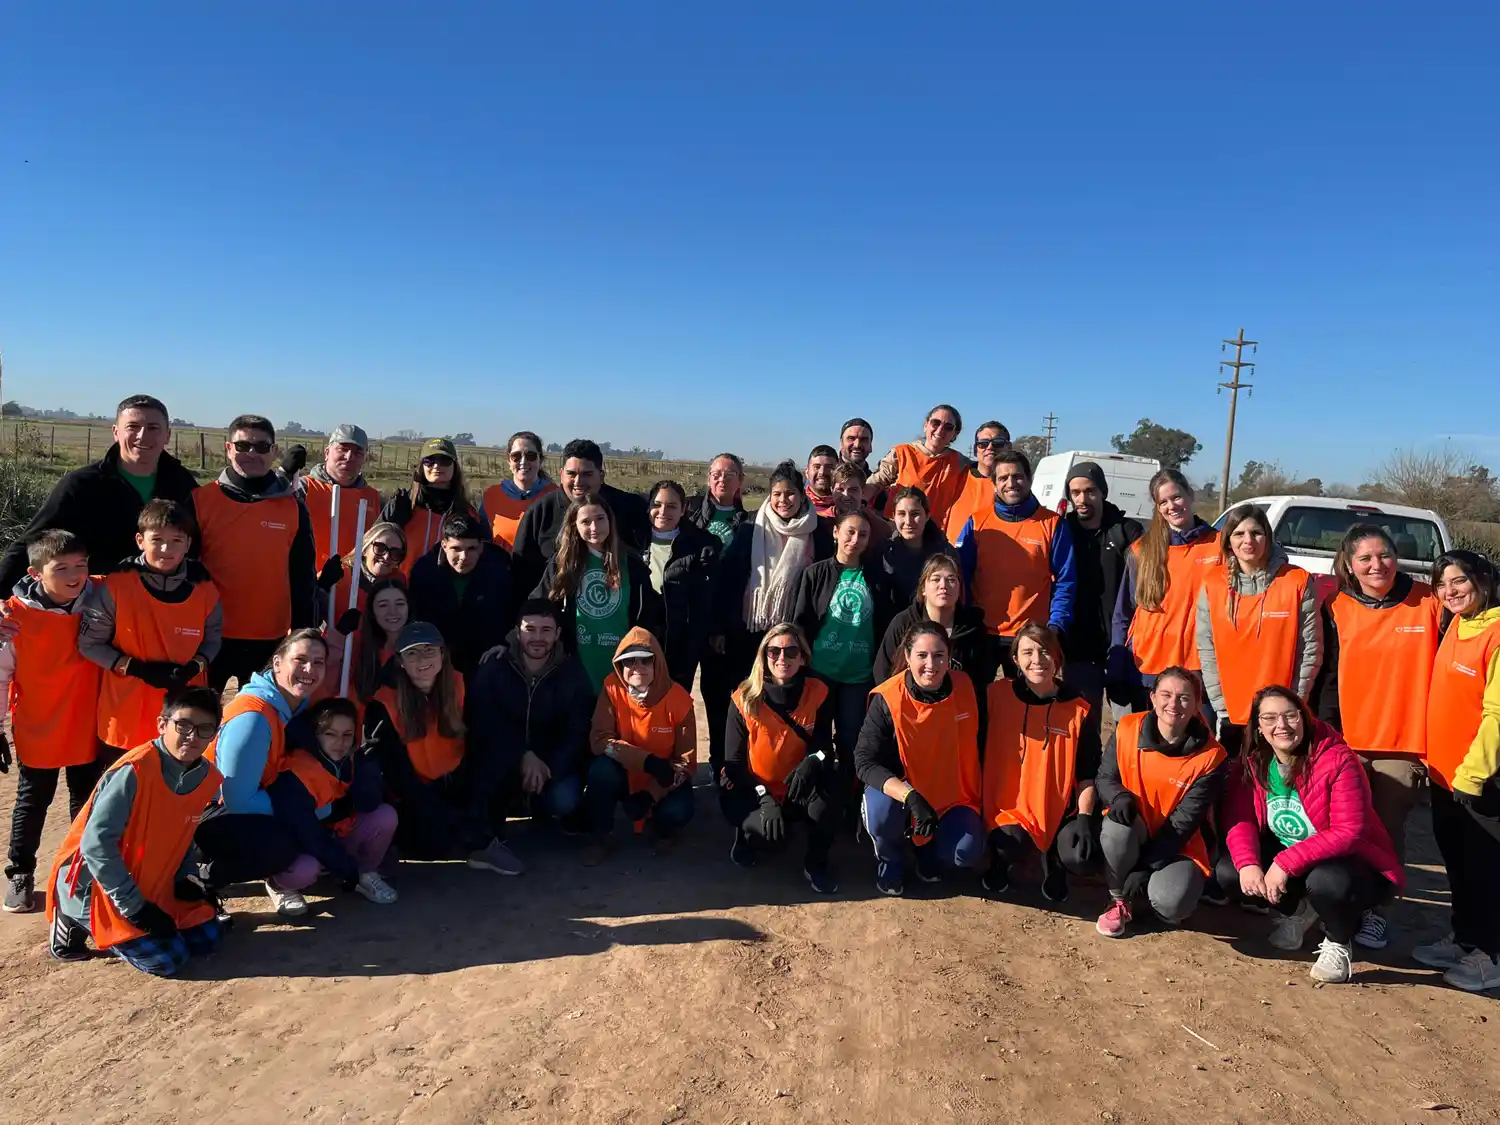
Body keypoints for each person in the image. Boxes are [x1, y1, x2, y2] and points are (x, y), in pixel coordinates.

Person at [1312, 523, 1441, 950]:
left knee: (1385, 832)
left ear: (1396, 557)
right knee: (1340, 828)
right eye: (1365, 558)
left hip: (1403, 745)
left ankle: (1377, 911)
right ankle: (1338, 906)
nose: (1376, 565)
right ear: (1349, 565)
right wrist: (1328, 736)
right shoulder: (1338, 607)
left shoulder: (1429, 602)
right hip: (1348, 740)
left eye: (1383, 555)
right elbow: (1327, 677)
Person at [1217, 687, 1402, 984]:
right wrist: (1248, 862)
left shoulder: (1338, 759)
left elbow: (1348, 832)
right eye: (1270, 718)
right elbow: (1239, 819)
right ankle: (1297, 910)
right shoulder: (1253, 763)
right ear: (1259, 728)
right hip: (1296, 858)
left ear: (1304, 718)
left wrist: (1284, 864)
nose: (1282, 725)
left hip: (1352, 862)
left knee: (1327, 882)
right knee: (1230, 872)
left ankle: (1338, 940)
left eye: (1290, 715)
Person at [44, 686, 225, 973]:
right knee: (168, 960)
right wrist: (135, 908)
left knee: (206, 938)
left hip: (149, 877)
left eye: (204, 729)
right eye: (184, 725)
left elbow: (183, 833)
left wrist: (185, 877)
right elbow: (96, 844)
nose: (192, 737)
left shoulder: (207, 777)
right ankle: (72, 914)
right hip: (95, 882)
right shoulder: (135, 770)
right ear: (162, 724)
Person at [1, 531, 105, 914]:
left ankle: (83, 869)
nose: (74, 575)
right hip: (38, 724)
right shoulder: (14, 616)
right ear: (35, 572)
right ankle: (20, 873)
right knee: (33, 800)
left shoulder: (101, 598)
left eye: (81, 565)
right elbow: (0, 675)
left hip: (87, 721)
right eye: (61, 568)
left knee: (87, 800)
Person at [0, 395, 199, 592]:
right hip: (96, 606)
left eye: (153, 428)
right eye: (132, 427)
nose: (142, 436)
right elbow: (34, 541)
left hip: (165, 604)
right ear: (116, 432)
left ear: (168, 435)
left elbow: (203, 544)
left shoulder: (183, 485)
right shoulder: (83, 485)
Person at [1412, 551, 1500, 992]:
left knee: (1487, 868)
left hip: (1481, 779)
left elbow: (1497, 714)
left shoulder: (1498, 631)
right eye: (1442, 584)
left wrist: (1474, 773)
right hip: (1444, 773)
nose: (1450, 591)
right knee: (1458, 865)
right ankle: (1466, 939)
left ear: (1483, 579)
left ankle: (1491, 956)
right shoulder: (1457, 624)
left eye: (1459, 581)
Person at [197, 629, 329, 917]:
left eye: (319, 662)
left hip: (258, 801)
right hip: (208, 815)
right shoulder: (253, 719)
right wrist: (306, 808)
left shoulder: (297, 703)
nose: (310, 670)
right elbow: (237, 801)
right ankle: (199, 876)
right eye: (301, 660)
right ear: (277, 663)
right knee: (282, 845)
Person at [77, 500, 222, 758]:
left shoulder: (204, 589)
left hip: (184, 716)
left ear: (188, 544)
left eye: (176, 540)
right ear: (140, 540)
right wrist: (136, 668)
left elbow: (212, 640)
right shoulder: (117, 585)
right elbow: (89, 643)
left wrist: (193, 667)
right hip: (125, 715)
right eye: (157, 539)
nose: (166, 549)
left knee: (177, 791)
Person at [1092, 667, 1229, 938]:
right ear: (1152, 698)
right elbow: (1105, 777)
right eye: (1165, 694)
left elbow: (1183, 824)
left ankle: (1155, 893)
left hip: (1180, 844)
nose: (1173, 704)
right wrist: (1118, 797)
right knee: (1116, 828)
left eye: (1184, 698)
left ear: (1196, 704)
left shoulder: (1212, 757)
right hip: (1135, 828)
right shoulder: (1127, 728)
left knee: (1173, 904)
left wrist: (1146, 867)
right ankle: (1119, 900)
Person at [362, 621, 505, 871]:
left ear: (442, 654)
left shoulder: (463, 685)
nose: (422, 659)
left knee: (494, 790)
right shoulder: (384, 703)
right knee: (434, 845)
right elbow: (396, 774)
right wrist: (442, 813)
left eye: (430, 650)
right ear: (400, 661)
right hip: (416, 792)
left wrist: (476, 798)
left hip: (457, 780)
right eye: (412, 653)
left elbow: (483, 742)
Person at [855, 623, 985, 895]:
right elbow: (864, 761)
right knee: (881, 814)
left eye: (939, 655)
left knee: (966, 852)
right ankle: (890, 860)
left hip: (951, 795)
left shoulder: (965, 686)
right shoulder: (888, 698)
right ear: (907, 656)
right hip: (903, 793)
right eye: (922, 655)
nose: (931, 664)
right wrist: (911, 796)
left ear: (949, 658)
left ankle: (926, 850)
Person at [195, 415, 317, 691]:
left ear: (274, 452)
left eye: (262, 447)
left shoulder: (292, 508)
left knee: (258, 721)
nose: (252, 453)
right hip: (210, 636)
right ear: (228, 448)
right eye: (243, 446)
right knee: (202, 722)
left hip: (270, 638)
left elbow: (302, 575)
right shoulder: (200, 501)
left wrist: (302, 631)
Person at [981, 624, 1099, 902]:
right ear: (1015, 660)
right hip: (1007, 807)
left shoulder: (1079, 709)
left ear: (1057, 657)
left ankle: (1055, 861)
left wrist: (1084, 819)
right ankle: (1000, 863)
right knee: (1008, 845)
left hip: (1059, 808)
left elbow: (1087, 772)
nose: (1037, 659)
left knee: (1078, 855)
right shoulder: (995, 696)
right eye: (1028, 652)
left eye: (1045, 651)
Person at [723, 624, 841, 893]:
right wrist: (763, 795)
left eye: (790, 651)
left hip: (798, 785)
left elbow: (825, 748)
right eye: (774, 651)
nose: (782, 658)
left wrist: (813, 760)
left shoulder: (819, 692)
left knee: (832, 788)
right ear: (763, 657)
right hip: (756, 789)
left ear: (803, 657)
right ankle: (744, 836)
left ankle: (816, 863)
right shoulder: (743, 698)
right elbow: (733, 764)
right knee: (772, 841)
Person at [1195, 504, 1321, 750]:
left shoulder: (1296, 581)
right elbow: (1207, 649)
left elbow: (1310, 649)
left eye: (1256, 533)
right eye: (1239, 534)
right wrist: (1222, 706)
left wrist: (1293, 703)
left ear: (1268, 537)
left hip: (1282, 716)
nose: (1248, 540)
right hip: (1233, 714)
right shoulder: (1213, 584)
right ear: (1228, 541)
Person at [468, 599, 596, 831]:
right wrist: (521, 755)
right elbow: (482, 721)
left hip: (549, 766)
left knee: (564, 799)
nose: (538, 637)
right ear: (517, 632)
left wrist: (547, 768)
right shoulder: (494, 668)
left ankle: (543, 808)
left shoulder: (573, 675)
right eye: (530, 629)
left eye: (546, 630)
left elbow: (577, 731)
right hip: (505, 760)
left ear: (557, 633)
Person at [954, 449, 1077, 678]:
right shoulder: (977, 522)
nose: (1011, 483)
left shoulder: (1052, 523)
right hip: (983, 634)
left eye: (1018, 476)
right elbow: (961, 574)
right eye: (1003, 478)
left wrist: (1055, 626)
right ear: (994, 484)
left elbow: (1066, 580)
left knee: (1025, 708)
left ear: (1029, 480)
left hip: (1030, 637)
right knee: (979, 706)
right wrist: (965, 617)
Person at [1109, 469, 1221, 715]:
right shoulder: (1142, 551)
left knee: (1198, 747)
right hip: (1149, 669)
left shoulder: (1221, 546)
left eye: (1177, 497)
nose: (1172, 506)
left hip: (1199, 668)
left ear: (1190, 495)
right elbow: (1124, 614)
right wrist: (1117, 662)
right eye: (1164, 502)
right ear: (1158, 508)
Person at [268, 697, 399, 905]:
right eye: (330, 734)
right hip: (302, 844)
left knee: (385, 816)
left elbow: (370, 803)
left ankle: (365, 873)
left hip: (335, 834)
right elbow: (306, 833)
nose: (340, 743)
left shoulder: (352, 759)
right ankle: (281, 886)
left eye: (347, 735)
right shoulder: (296, 772)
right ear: (315, 735)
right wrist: (344, 867)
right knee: (304, 870)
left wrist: (367, 770)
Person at [581, 629, 697, 864]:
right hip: (624, 773)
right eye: (629, 661)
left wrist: (651, 793)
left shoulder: (679, 699)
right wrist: (645, 761)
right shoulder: (611, 688)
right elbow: (600, 739)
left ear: (658, 663)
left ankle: (660, 827)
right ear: (619, 665)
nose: (637, 666)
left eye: (645, 659)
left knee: (680, 809)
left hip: (661, 777)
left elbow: (685, 762)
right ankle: (600, 835)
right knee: (600, 771)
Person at [794, 510, 890, 789]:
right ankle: (819, 796)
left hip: (859, 676)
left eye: (863, 534)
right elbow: (800, 623)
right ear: (835, 533)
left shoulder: (878, 578)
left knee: (852, 740)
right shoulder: (815, 574)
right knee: (819, 739)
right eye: (849, 532)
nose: (855, 539)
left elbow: (885, 625)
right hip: (821, 672)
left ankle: (850, 796)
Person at [532, 494, 665, 693]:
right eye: (586, 522)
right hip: (577, 665)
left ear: (610, 520)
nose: (594, 528)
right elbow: (537, 605)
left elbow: (648, 614)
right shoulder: (564, 563)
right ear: (574, 525)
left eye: (600, 519)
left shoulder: (630, 562)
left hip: (623, 662)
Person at [1059, 461, 1143, 756]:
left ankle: (1124, 780)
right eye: (1076, 493)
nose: (1083, 499)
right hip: (1080, 646)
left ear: (1103, 492)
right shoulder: (1064, 530)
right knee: (1084, 724)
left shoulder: (1127, 531)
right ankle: (1086, 787)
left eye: (1090, 491)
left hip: (1124, 647)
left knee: (1129, 724)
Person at [511, 439, 650, 595]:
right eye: (571, 474)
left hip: (619, 613)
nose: (578, 482)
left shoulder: (631, 508)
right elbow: (520, 571)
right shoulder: (541, 512)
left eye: (587, 474)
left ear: (601, 475)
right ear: (561, 474)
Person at [691, 453, 754, 787]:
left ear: (740, 480)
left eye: (730, 474)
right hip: (699, 620)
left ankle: (737, 761)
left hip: (738, 624)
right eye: (716, 473)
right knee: (712, 697)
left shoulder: (751, 522)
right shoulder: (693, 515)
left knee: (740, 696)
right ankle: (715, 762)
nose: (722, 479)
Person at [408, 513, 515, 677]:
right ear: (444, 545)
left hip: (486, 659)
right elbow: (416, 617)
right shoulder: (424, 572)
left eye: (471, 548)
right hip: (438, 660)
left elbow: (512, 612)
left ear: (481, 547)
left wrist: (506, 643)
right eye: (456, 548)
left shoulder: (499, 569)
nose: (463, 557)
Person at [643, 480, 719, 690]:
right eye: (657, 504)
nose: (662, 511)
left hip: (680, 644)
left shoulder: (703, 545)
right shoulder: (634, 539)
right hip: (642, 636)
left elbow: (706, 600)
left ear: (684, 509)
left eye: (672, 506)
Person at [873, 554, 992, 687]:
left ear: (960, 588)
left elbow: (981, 680)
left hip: (957, 704)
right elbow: (882, 673)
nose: (943, 586)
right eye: (936, 579)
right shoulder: (903, 623)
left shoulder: (973, 628)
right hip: (908, 703)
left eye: (951, 580)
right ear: (923, 588)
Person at [378, 437, 482, 576]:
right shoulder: (402, 504)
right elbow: (372, 545)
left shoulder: (467, 513)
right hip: (400, 590)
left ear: (455, 467)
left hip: (445, 592)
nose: (437, 466)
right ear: (421, 466)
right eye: (429, 461)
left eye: (445, 461)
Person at [864, 404, 972, 533]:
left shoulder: (960, 462)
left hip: (934, 533)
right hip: (898, 529)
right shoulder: (902, 453)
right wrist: (860, 504)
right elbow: (876, 482)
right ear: (926, 425)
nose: (940, 430)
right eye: (935, 423)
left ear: (955, 434)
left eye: (948, 427)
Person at [296, 424, 382, 580]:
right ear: (327, 452)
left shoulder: (373, 498)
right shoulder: (303, 488)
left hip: (354, 590)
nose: (349, 457)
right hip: (309, 588)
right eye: (342, 449)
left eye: (357, 453)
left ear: (364, 459)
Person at [879, 485, 956, 608]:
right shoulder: (885, 554)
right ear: (893, 516)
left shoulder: (945, 553)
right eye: (901, 514)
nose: (908, 521)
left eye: (915, 514)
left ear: (927, 516)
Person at [482, 430, 558, 551]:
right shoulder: (492, 496)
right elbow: (481, 541)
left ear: (541, 460)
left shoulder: (556, 496)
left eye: (531, 456)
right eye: (516, 456)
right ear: (509, 460)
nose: (523, 462)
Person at [345, 577, 410, 703]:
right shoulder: (357, 645)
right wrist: (339, 635)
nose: (393, 612)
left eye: (400, 604)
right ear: (373, 611)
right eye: (383, 605)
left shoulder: (423, 648)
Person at [946, 420, 1012, 540]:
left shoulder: (1014, 485)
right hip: (953, 555)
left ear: (1009, 447)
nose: (990, 447)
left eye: (998, 443)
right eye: (983, 444)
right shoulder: (955, 476)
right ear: (975, 449)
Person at [838, 417, 885, 513]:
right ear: (841, 444)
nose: (857, 444)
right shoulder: (826, 478)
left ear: (870, 446)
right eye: (851, 438)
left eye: (863, 439)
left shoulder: (877, 487)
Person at [804, 445, 840, 519]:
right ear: (806, 472)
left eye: (829, 467)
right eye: (816, 467)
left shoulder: (847, 505)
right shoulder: (797, 504)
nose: (822, 472)